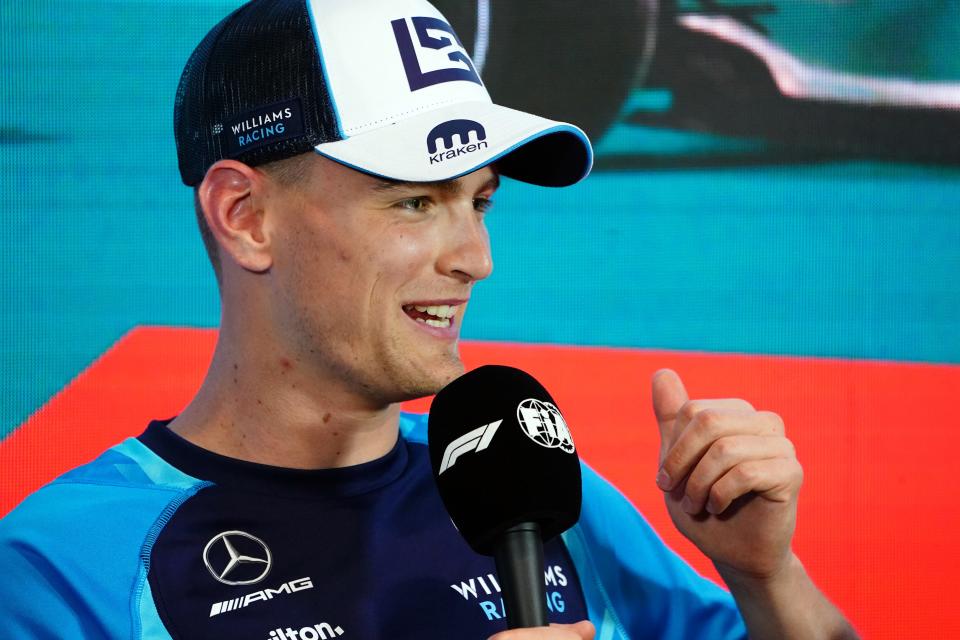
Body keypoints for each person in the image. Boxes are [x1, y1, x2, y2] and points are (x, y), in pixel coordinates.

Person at [0, 0, 859, 638]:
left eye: (479, 202)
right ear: (246, 217)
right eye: (414, 202)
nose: (476, 258)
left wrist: (764, 577)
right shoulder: (61, 568)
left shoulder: (539, 490)